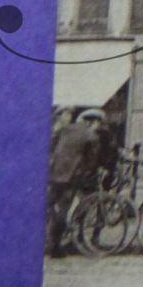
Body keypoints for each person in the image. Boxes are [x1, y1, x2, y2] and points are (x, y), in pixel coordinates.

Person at [46, 108, 105, 257]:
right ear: (94, 122)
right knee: (64, 210)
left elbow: (52, 146)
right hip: (71, 178)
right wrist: (88, 176)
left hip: (54, 174)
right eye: (99, 123)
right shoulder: (92, 136)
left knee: (49, 204)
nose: (99, 127)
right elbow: (91, 163)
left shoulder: (66, 129)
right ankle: (55, 246)